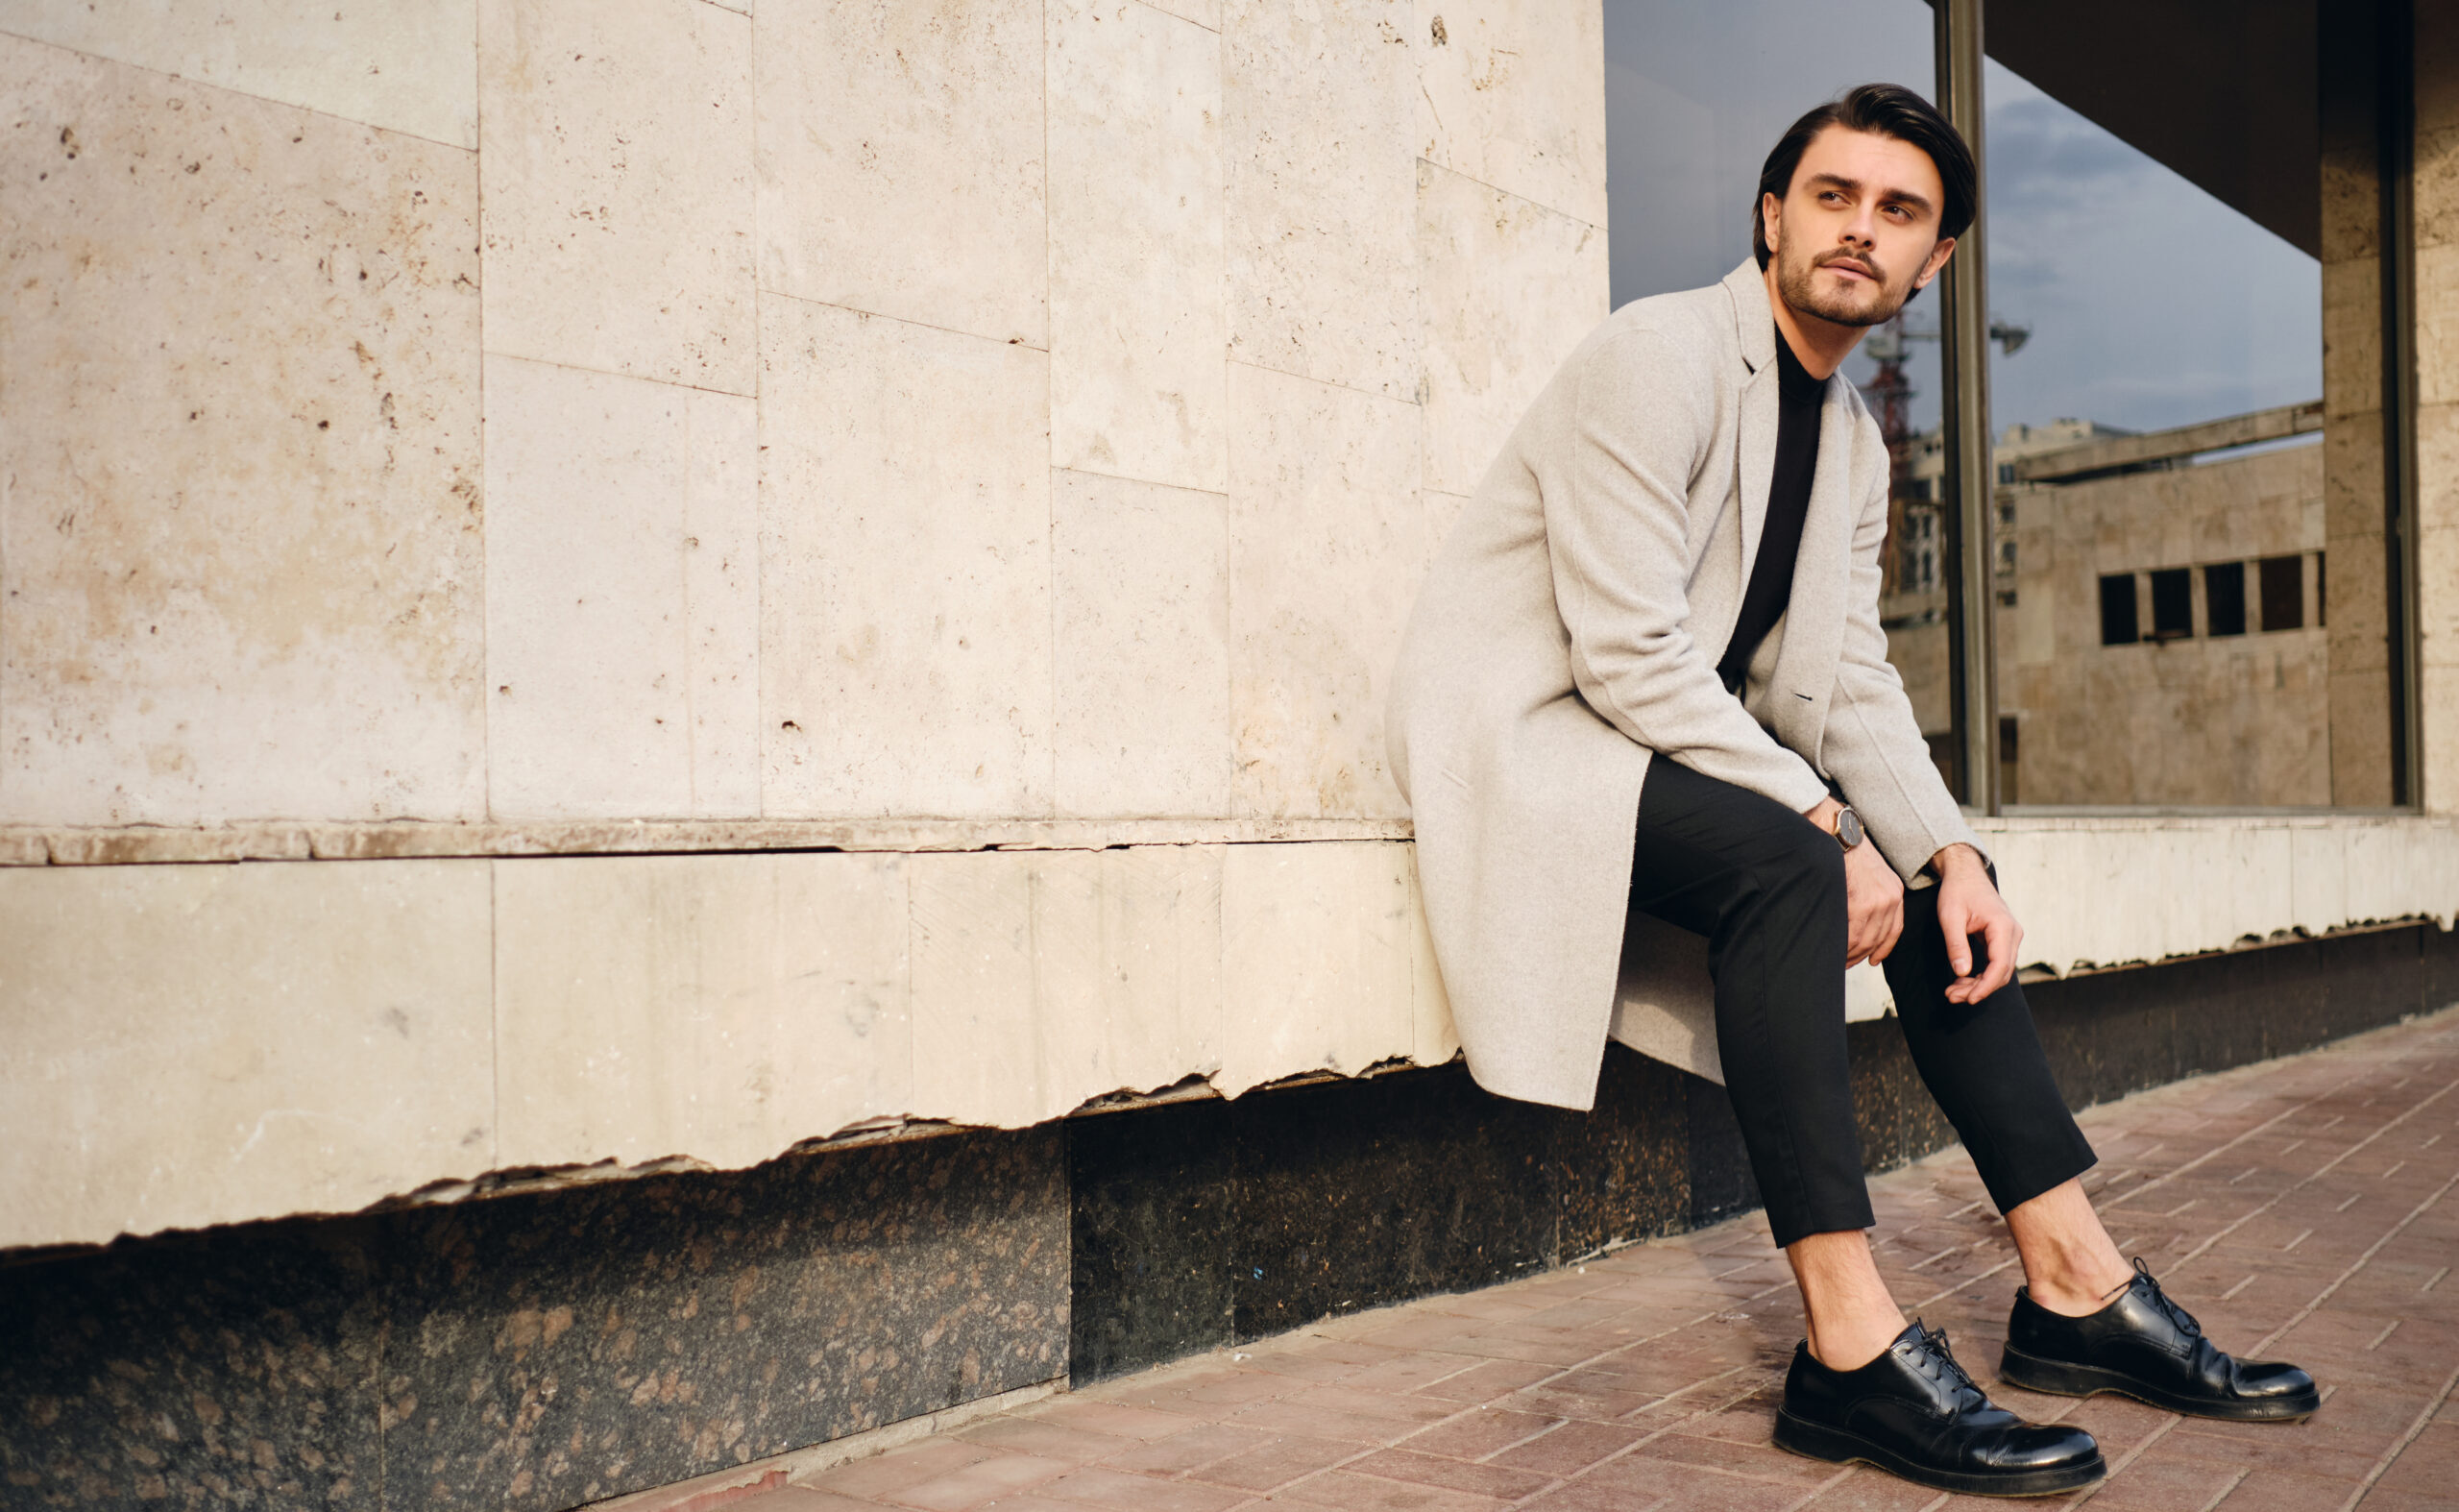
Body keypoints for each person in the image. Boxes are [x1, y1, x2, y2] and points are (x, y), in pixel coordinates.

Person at [1384, 83, 2318, 1499]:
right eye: (1834, 196)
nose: (1859, 231)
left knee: (1945, 889)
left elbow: (1851, 681)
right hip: (1542, 736)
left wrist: (1946, 847)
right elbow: (1626, 648)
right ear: (1772, 216)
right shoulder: (1668, 353)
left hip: (1663, 746)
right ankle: (1848, 1343)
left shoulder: (1857, 443)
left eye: (1899, 214)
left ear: (1933, 264)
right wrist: (1825, 823)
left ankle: (2075, 1279)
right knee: (1795, 862)